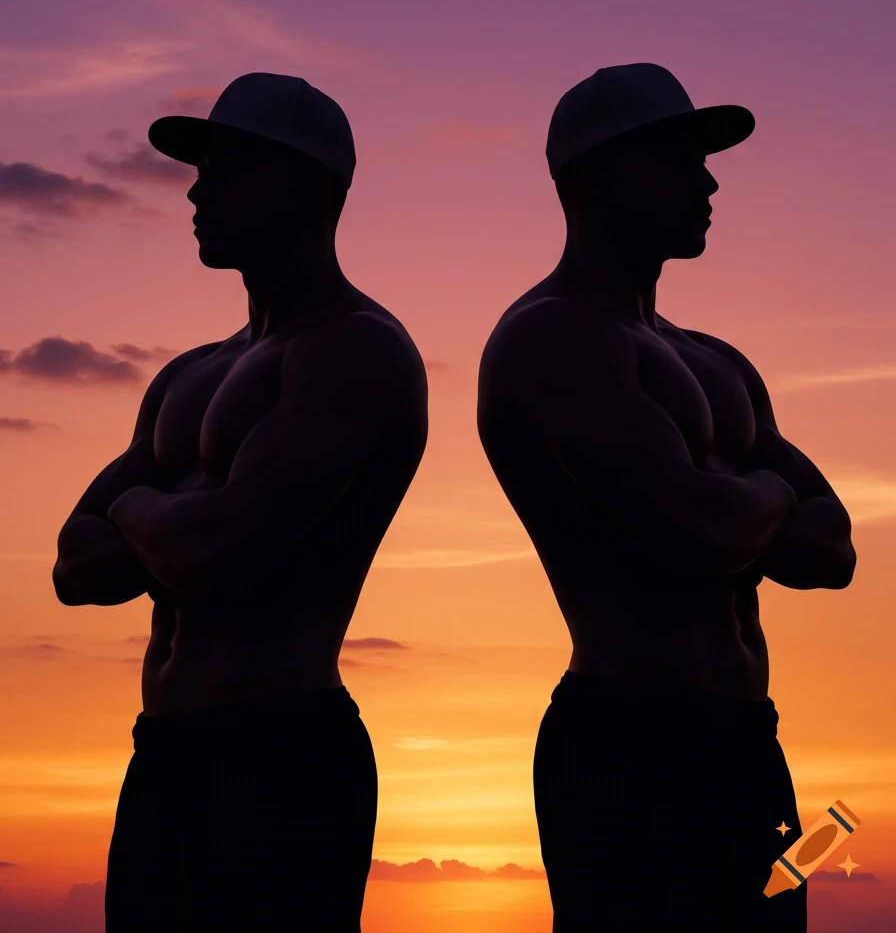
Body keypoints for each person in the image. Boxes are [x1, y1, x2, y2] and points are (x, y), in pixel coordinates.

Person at [476, 63, 855, 932]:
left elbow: (833, 551)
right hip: (625, 746)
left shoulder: (715, 361)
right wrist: (756, 490)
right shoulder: (551, 338)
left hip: (750, 742)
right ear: (602, 176)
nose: (710, 180)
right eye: (682, 159)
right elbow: (702, 532)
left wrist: (726, 498)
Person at [52, 72, 428, 932]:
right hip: (162, 755)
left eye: (224, 168)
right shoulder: (191, 373)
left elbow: (216, 551)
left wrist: (144, 509)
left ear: (304, 186)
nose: (195, 187)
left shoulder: (356, 351)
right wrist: (185, 512)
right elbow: (73, 566)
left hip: (282, 754)